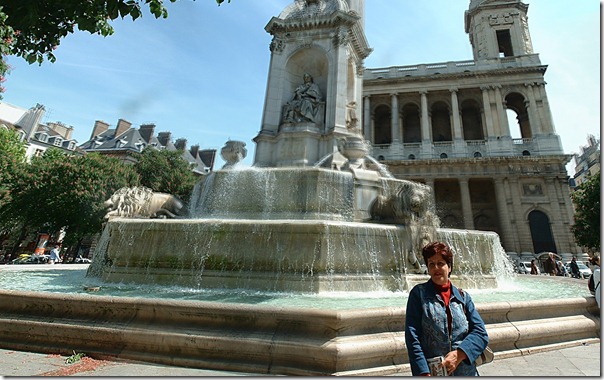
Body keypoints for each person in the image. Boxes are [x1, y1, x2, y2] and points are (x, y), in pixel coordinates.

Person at [405, 241, 489, 376]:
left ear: (449, 267)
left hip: (466, 372)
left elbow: (480, 333)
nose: (436, 268)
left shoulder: (463, 297)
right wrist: (422, 372)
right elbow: (412, 336)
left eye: (441, 263)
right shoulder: (418, 295)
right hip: (434, 373)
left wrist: (459, 354)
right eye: (431, 264)